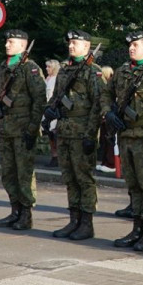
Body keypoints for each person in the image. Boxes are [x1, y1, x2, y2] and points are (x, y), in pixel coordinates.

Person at [102, 29, 143, 251]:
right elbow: (106, 94)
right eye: (130, 45)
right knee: (133, 186)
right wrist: (108, 113)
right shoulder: (122, 72)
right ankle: (136, 229)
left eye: (136, 45)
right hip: (125, 137)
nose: (131, 48)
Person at [0, 29, 49, 231]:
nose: (7, 44)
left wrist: (32, 129)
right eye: (7, 41)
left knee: (24, 174)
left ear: (23, 46)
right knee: (8, 173)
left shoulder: (30, 69)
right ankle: (14, 210)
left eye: (12, 41)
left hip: (23, 129)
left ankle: (26, 214)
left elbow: (39, 100)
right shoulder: (3, 68)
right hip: (6, 128)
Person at [45, 30, 104, 239]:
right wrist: (49, 112)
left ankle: (86, 224)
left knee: (84, 179)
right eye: (70, 42)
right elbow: (57, 97)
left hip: (82, 132)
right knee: (69, 177)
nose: (71, 46)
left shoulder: (92, 72)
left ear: (87, 47)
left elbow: (98, 106)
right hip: (64, 130)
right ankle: (74, 220)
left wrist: (91, 135)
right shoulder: (64, 70)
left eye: (75, 43)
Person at [44, 59, 60, 167]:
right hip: (46, 109)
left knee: (54, 134)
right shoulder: (47, 79)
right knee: (49, 135)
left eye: (49, 67)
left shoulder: (55, 79)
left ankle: (56, 156)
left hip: (52, 109)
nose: (46, 69)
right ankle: (54, 155)